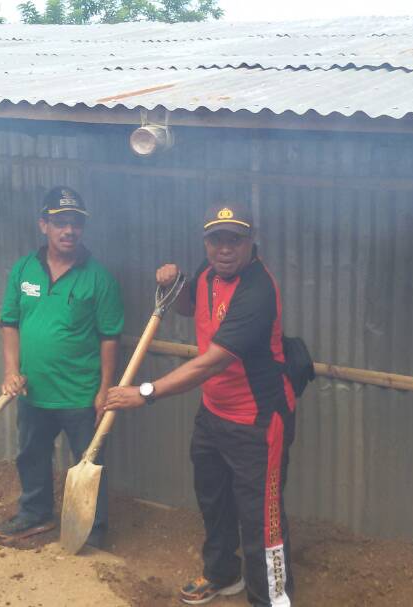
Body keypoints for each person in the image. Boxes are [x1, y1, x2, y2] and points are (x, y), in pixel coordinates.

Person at [104, 201, 295, 606]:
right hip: (214, 413)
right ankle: (223, 574)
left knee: (263, 519)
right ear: (206, 242)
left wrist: (145, 392)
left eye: (234, 240)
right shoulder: (209, 272)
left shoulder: (258, 291)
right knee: (213, 498)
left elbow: (212, 362)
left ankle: (274, 599)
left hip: (258, 421)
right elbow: (191, 306)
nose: (224, 248)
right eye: (216, 240)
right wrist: (173, 283)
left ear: (251, 242)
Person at [0, 186, 124, 549]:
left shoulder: (99, 278)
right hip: (32, 390)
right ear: (44, 225)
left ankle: (91, 532)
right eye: (60, 222)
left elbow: (109, 336)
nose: (69, 230)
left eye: (76, 224)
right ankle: (35, 514)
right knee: (31, 454)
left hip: (80, 394)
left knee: (89, 465)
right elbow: (9, 322)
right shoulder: (23, 270)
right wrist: (10, 371)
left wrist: (105, 389)